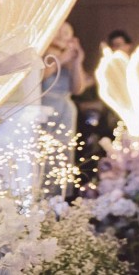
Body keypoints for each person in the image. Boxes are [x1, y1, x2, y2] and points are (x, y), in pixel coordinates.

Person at [40, 21, 89, 198]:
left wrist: (77, 62)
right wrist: (60, 59)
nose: (62, 35)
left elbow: (78, 89)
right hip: (45, 108)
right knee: (43, 155)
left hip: (66, 109)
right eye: (58, 31)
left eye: (66, 32)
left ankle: (58, 197)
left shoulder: (70, 55)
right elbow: (40, 77)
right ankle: (41, 194)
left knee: (61, 154)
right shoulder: (43, 51)